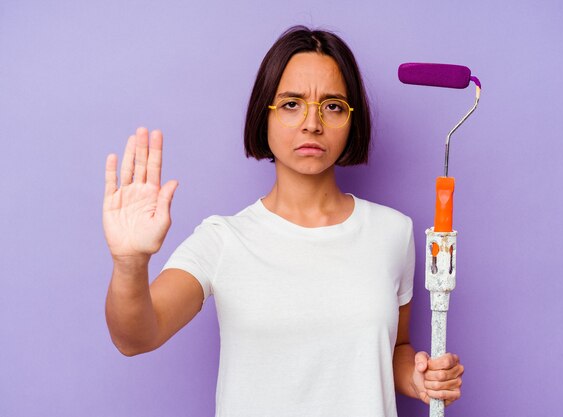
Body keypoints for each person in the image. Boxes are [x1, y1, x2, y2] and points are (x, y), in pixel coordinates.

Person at [103, 25, 463, 417]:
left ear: (351, 119)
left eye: (333, 105)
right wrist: (129, 264)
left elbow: (394, 349)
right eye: (292, 104)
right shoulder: (223, 240)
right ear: (265, 114)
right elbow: (135, 337)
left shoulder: (393, 232)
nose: (312, 123)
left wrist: (418, 377)